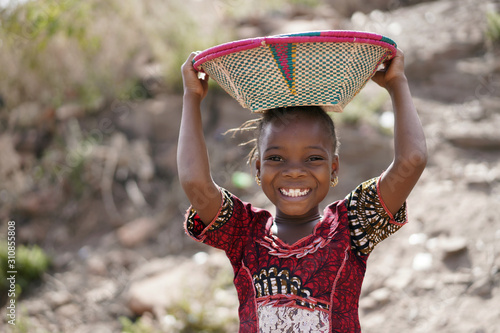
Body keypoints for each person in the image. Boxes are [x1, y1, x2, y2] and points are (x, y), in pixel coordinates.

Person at [177, 49, 427, 332]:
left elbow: (413, 160)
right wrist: (191, 97)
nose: (294, 171)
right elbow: (195, 183)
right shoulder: (243, 232)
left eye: (313, 158)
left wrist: (397, 84)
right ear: (257, 169)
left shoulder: (352, 224)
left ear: (334, 168)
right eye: (276, 158)